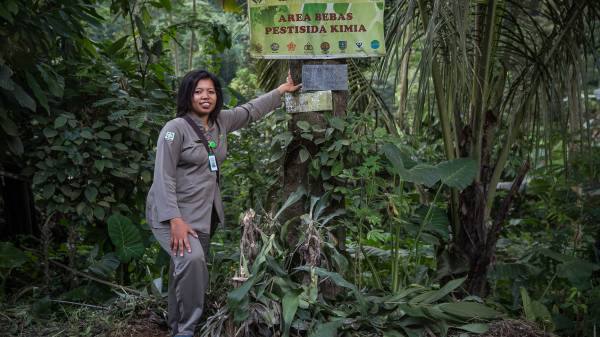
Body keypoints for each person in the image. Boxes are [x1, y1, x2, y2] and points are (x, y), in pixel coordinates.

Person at [145, 69, 301, 337]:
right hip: (171, 214)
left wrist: (280, 92)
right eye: (198, 91)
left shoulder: (221, 123)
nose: (205, 97)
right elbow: (163, 178)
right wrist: (175, 220)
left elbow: (251, 110)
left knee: (183, 269)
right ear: (187, 96)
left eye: (211, 91)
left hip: (203, 213)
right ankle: (186, 330)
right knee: (192, 261)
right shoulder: (174, 129)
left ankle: (175, 326)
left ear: (217, 95)